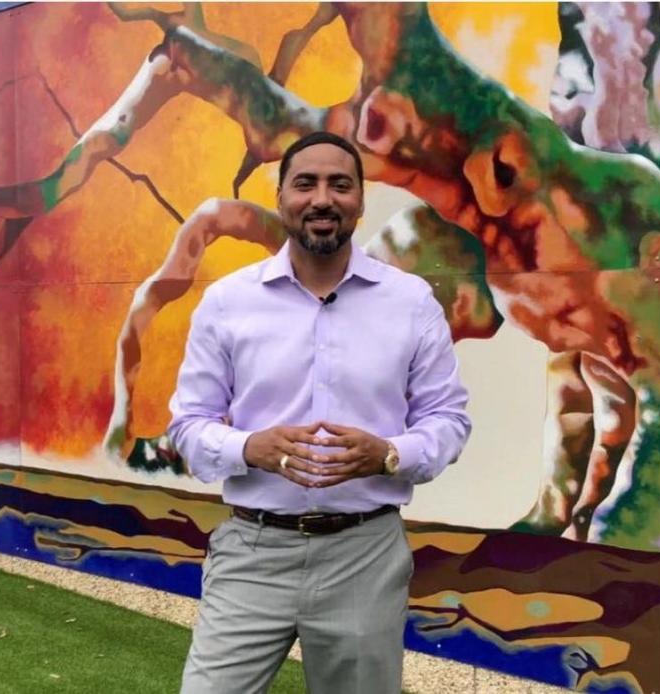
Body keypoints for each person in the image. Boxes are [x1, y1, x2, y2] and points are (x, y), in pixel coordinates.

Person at [168, 131, 471, 693]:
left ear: (361, 199)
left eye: (341, 184)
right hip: (252, 551)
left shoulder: (409, 303)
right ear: (281, 195)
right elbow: (188, 425)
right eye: (305, 183)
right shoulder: (229, 303)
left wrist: (388, 454)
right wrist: (248, 448)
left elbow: (448, 419)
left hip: (364, 554)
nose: (322, 199)